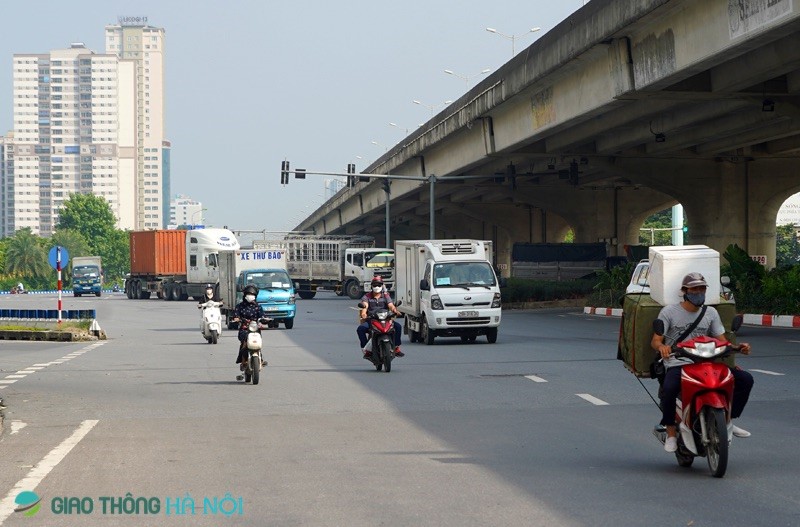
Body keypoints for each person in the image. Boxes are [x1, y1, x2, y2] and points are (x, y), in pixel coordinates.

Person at [651, 272, 754, 453]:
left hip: (707, 363)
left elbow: (722, 340)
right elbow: (656, 340)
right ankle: (671, 433)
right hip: (678, 362)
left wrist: (739, 347)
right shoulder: (669, 312)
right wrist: (663, 348)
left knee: (745, 379)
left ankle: (729, 421)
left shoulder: (711, 312)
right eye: (694, 289)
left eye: (702, 289)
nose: (698, 292)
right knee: (669, 388)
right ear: (685, 291)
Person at [357, 276, 404, 358]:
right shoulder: (367, 297)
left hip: (386, 319)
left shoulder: (386, 296)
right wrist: (364, 314)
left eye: (379, 285)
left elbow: (391, 305)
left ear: (382, 286)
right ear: (371, 286)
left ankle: (396, 348)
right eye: (375, 285)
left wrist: (395, 311)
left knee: (398, 327)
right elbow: (365, 306)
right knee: (360, 329)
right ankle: (366, 349)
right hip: (372, 320)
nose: (377, 287)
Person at [233, 284, 265, 366]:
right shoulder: (239, 306)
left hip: (255, 329)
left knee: (257, 344)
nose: (250, 296)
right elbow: (236, 316)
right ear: (245, 295)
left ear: (255, 296)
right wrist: (237, 318)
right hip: (244, 328)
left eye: (252, 295)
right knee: (244, 344)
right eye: (248, 294)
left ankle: (260, 358)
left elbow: (262, 316)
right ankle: (243, 361)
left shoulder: (258, 307)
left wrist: (263, 320)